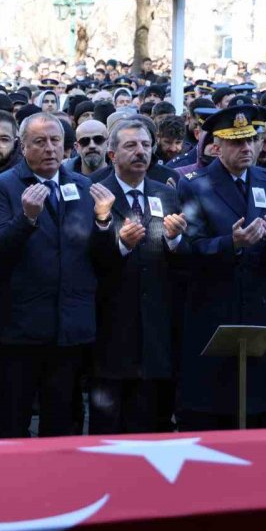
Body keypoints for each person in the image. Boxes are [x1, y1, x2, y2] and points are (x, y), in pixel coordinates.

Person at [0, 112, 110, 437]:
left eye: (56, 141)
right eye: (40, 142)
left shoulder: (83, 186)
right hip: (21, 329)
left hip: (69, 327)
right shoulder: (5, 186)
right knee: (13, 421)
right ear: (23, 147)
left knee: (63, 422)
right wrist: (26, 219)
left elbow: (99, 256)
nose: (49, 149)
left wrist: (103, 223)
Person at [176, 105, 266, 431]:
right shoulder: (195, 185)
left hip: (258, 307)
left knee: (258, 408)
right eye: (237, 142)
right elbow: (189, 249)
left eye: (251, 141)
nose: (246, 149)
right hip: (214, 307)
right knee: (214, 408)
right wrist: (230, 243)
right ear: (218, 146)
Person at [90, 119, 187, 433]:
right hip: (111, 328)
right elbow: (87, 256)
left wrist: (174, 240)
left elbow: (181, 261)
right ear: (112, 153)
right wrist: (120, 245)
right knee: (109, 428)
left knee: (151, 424)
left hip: (157, 331)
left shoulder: (167, 193)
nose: (140, 152)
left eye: (146, 145)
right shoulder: (94, 191)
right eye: (131, 145)